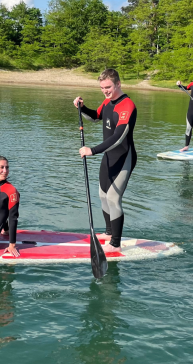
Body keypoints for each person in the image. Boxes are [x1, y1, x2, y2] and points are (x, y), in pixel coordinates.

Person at [72, 68, 137, 253]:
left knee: (113, 198)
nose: (105, 91)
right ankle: (109, 233)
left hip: (124, 157)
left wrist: (92, 151)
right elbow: (96, 117)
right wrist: (82, 108)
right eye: (102, 88)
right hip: (109, 157)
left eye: (108, 87)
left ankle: (115, 243)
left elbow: (118, 137)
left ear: (118, 84)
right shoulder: (108, 102)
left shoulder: (127, 105)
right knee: (102, 195)